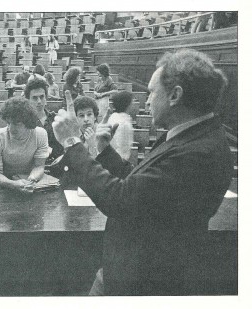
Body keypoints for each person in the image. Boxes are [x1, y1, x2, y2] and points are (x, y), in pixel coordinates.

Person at [52, 49, 233, 295]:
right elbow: (142, 186)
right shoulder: (192, 136)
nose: (146, 101)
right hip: (129, 269)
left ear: (175, 95)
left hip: (143, 280)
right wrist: (105, 152)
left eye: (151, 92)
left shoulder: (196, 152)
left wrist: (72, 142)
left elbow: (120, 200)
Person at [0, 97, 49, 193]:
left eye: (17, 124)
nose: (11, 129)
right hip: (4, 185)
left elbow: (39, 166)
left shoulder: (40, 134)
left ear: (27, 122)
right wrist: (13, 184)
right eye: (8, 123)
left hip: (29, 184)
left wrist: (31, 179)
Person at [24, 77, 63, 164]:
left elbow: (61, 149)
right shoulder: (23, 122)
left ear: (46, 97)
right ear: (28, 100)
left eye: (42, 97)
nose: (39, 101)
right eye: (34, 98)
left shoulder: (55, 119)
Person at [108, 91, 134, 161]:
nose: (132, 105)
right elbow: (122, 148)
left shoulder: (113, 117)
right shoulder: (124, 123)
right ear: (127, 105)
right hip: (119, 161)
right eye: (131, 103)